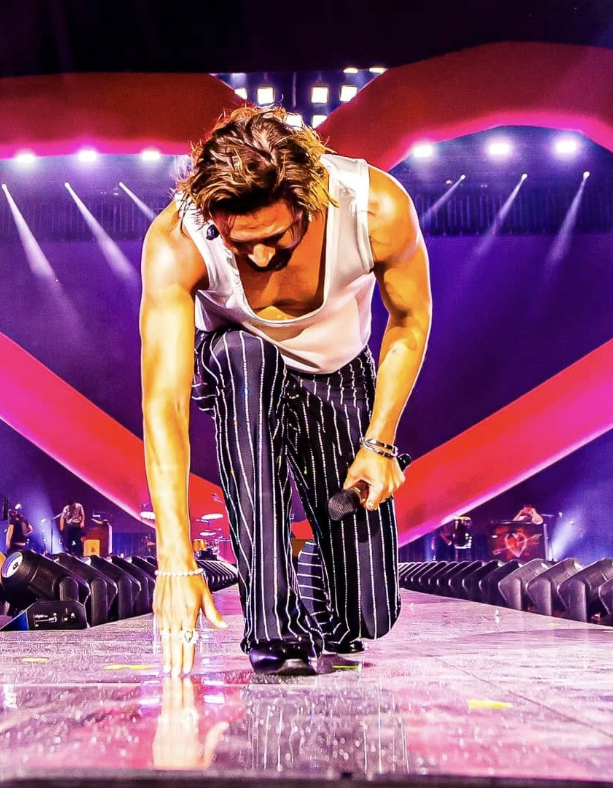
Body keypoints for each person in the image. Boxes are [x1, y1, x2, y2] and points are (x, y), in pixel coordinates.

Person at [140, 106, 432, 676]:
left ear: (309, 199)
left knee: (368, 619)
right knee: (241, 355)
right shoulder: (177, 240)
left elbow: (409, 322)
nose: (259, 257)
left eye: (275, 237)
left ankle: (330, 579)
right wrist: (175, 557)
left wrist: (380, 443)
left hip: (341, 375)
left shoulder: (375, 208)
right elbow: (165, 401)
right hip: (246, 376)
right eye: (239, 241)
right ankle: (272, 626)